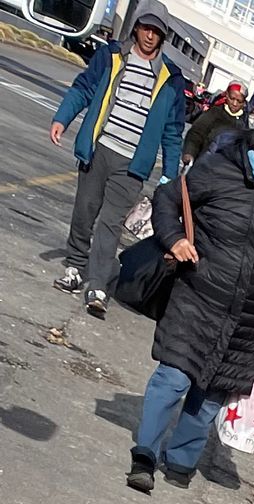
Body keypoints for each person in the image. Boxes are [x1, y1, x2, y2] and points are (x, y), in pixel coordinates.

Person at [128, 98, 254, 493]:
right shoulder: (219, 169)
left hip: (248, 316)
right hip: (196, 296)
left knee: (209, 394)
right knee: (173, 377)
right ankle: (144, 454)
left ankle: (182, 461)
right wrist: (173, 239)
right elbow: (168, 198)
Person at [50, 5, 188, 319]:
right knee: (84, 212)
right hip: (99, 149)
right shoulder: (112, 57)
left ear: (163, 36)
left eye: (157, 31)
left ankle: (97, 285)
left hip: (132, 164)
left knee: (110, 224)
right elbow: (84, 88)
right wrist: (63, 118)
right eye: (145, 28)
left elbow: (172, 130)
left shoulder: (171, 80)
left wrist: (169, 173)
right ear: (136, 28)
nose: (150, 35)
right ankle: (74, 266)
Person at [185, 78, 245, 163]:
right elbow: (196, 133)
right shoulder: (214, 112)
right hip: (202, 161)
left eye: (239, 101)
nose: (235, 103)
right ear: (226, 95)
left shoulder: (244, 122)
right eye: (232, 98)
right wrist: (189, 153)